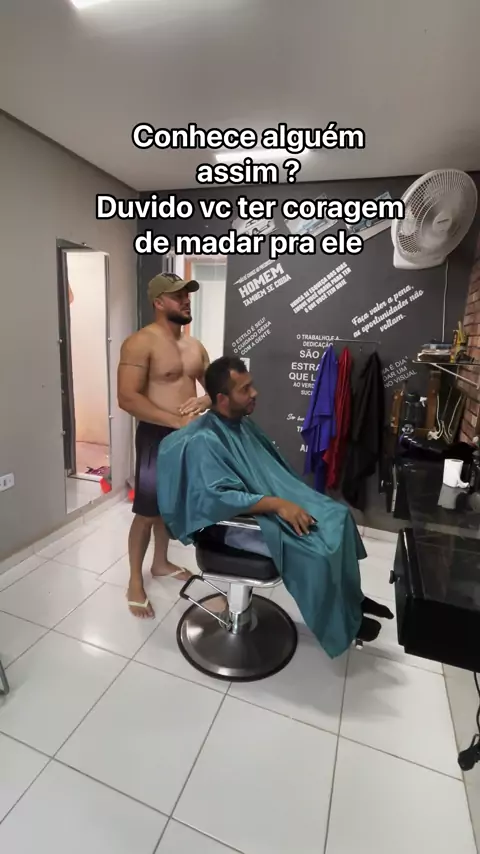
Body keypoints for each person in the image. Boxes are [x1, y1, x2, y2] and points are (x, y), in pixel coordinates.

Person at [156, 356, 393, 659]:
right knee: (317, 549)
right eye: (245, 389)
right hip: (231, 524)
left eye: (251, 385)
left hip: (261, 506)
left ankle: (352, 600)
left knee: (339, 516)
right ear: (222, 399)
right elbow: (218, 498)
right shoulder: (205, 439)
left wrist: (289, 499)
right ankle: (343, 625)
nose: (254, 393)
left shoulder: (241, 424)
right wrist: (279, 504)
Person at [117, 272, 211, 618]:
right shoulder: (140, 343)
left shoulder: (194, 346)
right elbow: (127, 398)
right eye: (177, 295)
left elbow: (215, 388)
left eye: (187, 294)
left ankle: (160, 563)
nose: (186, 300)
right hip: (157, 437)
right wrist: (175, 421)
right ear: (158, 302)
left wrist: (206, 400)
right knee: (146, 511)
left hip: (188, 438)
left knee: (169, 507)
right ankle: (134, 580)